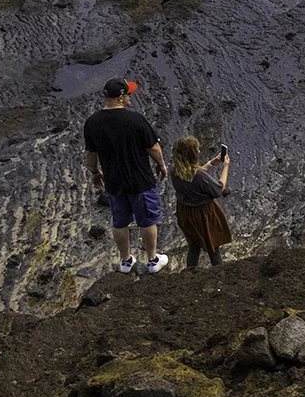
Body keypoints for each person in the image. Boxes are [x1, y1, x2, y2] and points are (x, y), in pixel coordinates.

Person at [83, 79, 169, 275]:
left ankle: (125, 261)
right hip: (140, 180)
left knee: (120, 221)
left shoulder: (92, 123)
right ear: (120, 97)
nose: (130, 97)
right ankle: (153, 259)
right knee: (147, 220)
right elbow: (153, 147)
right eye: (128, 94)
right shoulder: (136, 120)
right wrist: (162, 165)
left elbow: (90, 153)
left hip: (114, 182)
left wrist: (95, 173)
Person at [170, 136, 233, 269]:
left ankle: (190, 271)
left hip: (185, 212)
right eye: (197, 150)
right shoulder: (199, 176)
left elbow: (192, 174)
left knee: (194, 244)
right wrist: (225, 166)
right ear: (193, 154)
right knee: (212, 244)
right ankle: (218, 271)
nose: (199, 152)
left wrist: (211, 163)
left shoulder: (174, 170)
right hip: (203, 214)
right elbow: (218, 189)